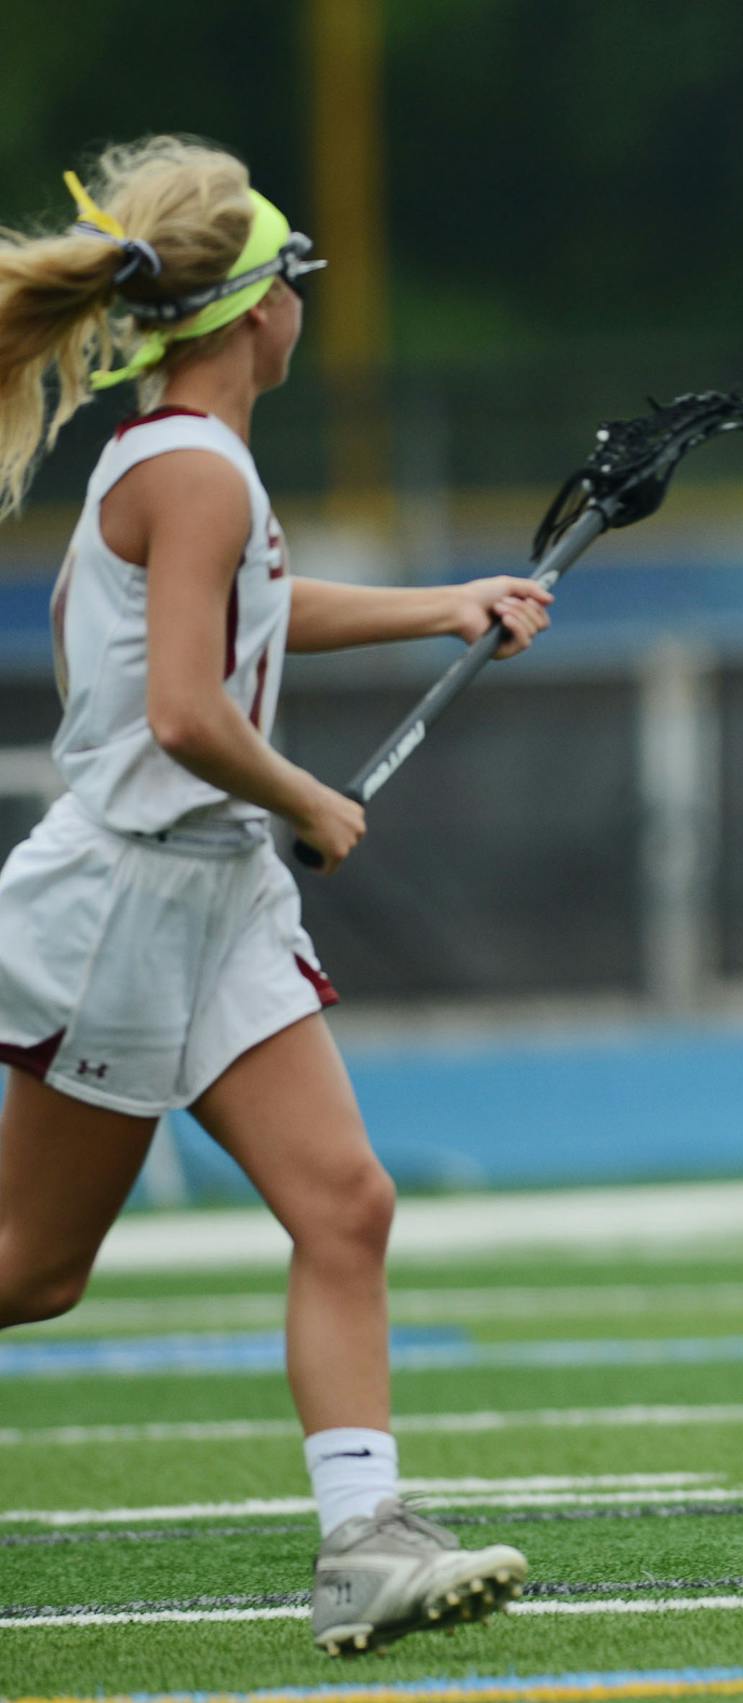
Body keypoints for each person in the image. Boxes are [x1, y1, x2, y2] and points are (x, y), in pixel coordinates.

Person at [0, 138, 548, 1654]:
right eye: (296, 282)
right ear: (256, 314)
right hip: (122, 904)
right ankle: (362, 1534)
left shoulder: (202, 463)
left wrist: (448, 602)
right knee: (31, 1272)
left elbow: (251, 606)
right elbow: (185, 707)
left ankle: (364, 1537)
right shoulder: (186, 466)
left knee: (346, 1202)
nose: (306, 306)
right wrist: (307, 793)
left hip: (217, 895)